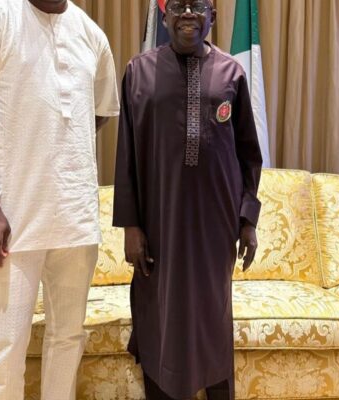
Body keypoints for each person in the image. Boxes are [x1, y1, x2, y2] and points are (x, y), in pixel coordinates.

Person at [0, 0, 119, 399]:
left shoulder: (91, 34)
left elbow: (99, 110)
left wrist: (59, 142)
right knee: (6, 343)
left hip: (76, 215)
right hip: (12, 216)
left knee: (68, 336)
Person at [112, 0, 262, 399]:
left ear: (212, 15)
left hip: (216, 229)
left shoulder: (232, 73)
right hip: (159, 225)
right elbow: (126, 154)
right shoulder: (138, 72)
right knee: (162, 317)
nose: (188, 14)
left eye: (198, 5)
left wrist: (248, 220)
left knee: (213, 317)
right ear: (165, 16)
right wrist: (131, 226)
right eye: (179, 5)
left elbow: (249, 154)